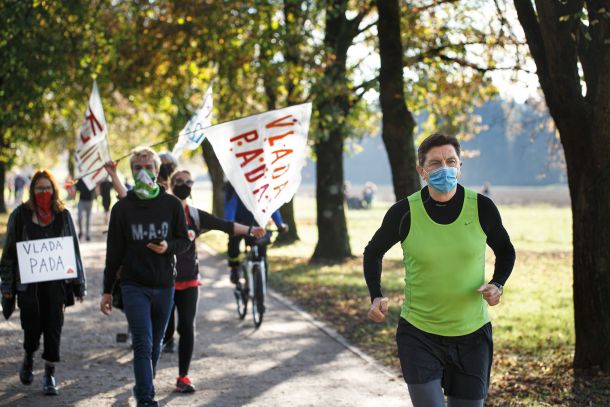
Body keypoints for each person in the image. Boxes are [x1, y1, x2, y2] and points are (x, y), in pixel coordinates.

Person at [364, 133, 515, 407]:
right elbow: (373, 252)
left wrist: (498, 284)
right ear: (422, 171)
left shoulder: (482, 208)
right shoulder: (404, 213)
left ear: (460, 167)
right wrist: (376, 295)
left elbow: (506, 251)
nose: (444, 168)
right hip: (419, 334)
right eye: (435, 163)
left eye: (451, 161)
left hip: (473, 335)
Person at [99, 147, 190, 407]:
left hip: (164, 285)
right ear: (131, 171)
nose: (143, 172)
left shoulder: (171, 204)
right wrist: (107, 290)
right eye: (137, 168)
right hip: (133, 285)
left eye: (148, 167)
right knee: (142, 342)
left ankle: (142, 385)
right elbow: (113, 253)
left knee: (155, 345)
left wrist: (167, 247)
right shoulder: (122, 208)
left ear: (157, 170)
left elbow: (183, 241)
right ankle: (146, 399)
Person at [161, 170, 264, 393]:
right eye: (179, 181)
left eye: (188, 181)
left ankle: (183, 377)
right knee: (165, 332)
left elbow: (224, 225)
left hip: (189, 279)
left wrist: (250, 230)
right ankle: (146, 376)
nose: (184, 184)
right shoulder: (161, 210)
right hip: (163, 281)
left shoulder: (195, 215)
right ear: (170, 184)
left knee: (186, 327)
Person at [0, 170, 86, 396]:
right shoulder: (20, 215)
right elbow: (8, 253)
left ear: (54, 189)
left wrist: (78, 284)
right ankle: (28, 356)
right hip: (29, 286)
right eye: (39, 188)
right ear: (32, 190)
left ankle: (49, 373)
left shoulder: (63, 215)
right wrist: (7, 286)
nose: (44, 192)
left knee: (53, 328)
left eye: (48, 188)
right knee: (31, 328)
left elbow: (73, 250)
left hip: (56, 284)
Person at [224, 183, 288, 284]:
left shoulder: (263, 188)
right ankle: (234, 268)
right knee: (233, 245)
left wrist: (280, 224)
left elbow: (271, 206)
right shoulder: (237, 186)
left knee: (262, 247)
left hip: (256, 223)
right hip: (239, 223)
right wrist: (230, 225)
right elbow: (231, 207)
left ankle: (262, 278)